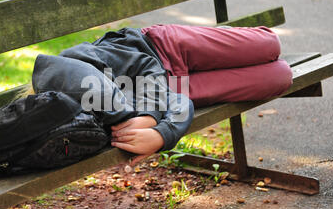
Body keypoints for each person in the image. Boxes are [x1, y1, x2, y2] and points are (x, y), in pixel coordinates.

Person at [27, 24, 292, 165]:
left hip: (163, 47)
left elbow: (143, 64)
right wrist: (160, 135)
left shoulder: (67, 68)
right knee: (280, 76)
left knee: (270, 44)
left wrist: (149, 117)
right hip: (176, 87)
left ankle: (238, 39)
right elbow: (179, 102)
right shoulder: (84, 126)